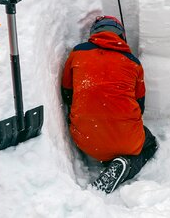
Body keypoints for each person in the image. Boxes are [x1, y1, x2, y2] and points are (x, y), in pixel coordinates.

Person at [61, 15, 157, 193]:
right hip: (126, 138)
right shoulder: (133, 63)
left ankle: (110, 157)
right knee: (150, 143)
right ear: (121, 36)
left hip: (86, 139)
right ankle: (125, 165)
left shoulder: (78, 53)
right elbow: (140, 105)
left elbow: (67, 92)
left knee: (108, 140)